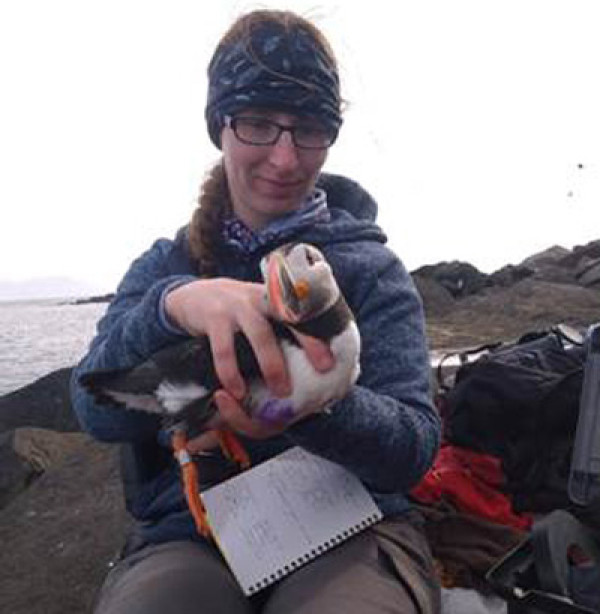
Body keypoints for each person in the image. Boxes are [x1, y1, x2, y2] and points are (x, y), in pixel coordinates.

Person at [71, 9, 442, 614]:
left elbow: (414, 449)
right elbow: (95, 412)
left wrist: (315, 407)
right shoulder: (165, 267)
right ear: (221, 126)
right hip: (191, 537)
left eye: (310, 129)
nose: (286, 158)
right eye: (258, 123)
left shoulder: (371, 269)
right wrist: (170, 307)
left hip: (352, 525)